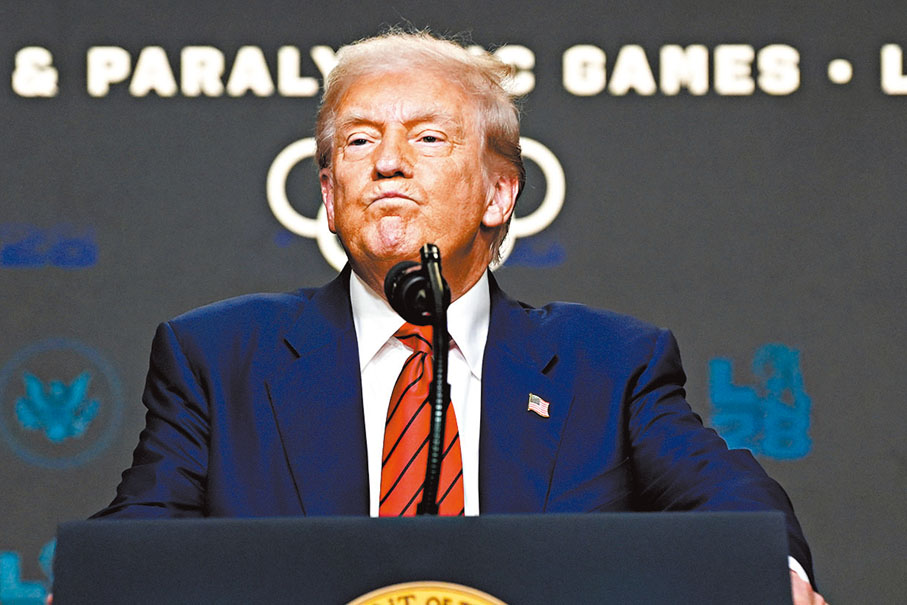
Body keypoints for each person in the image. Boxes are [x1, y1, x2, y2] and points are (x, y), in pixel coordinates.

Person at [94, 30, 827, 603]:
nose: (387, 162)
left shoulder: (606, 363)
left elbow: (725, 495)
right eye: (359, 140)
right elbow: (138, 540)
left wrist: (775, 574)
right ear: (328, 195)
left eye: (427, 137)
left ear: (499, 194)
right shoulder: (219, 357)